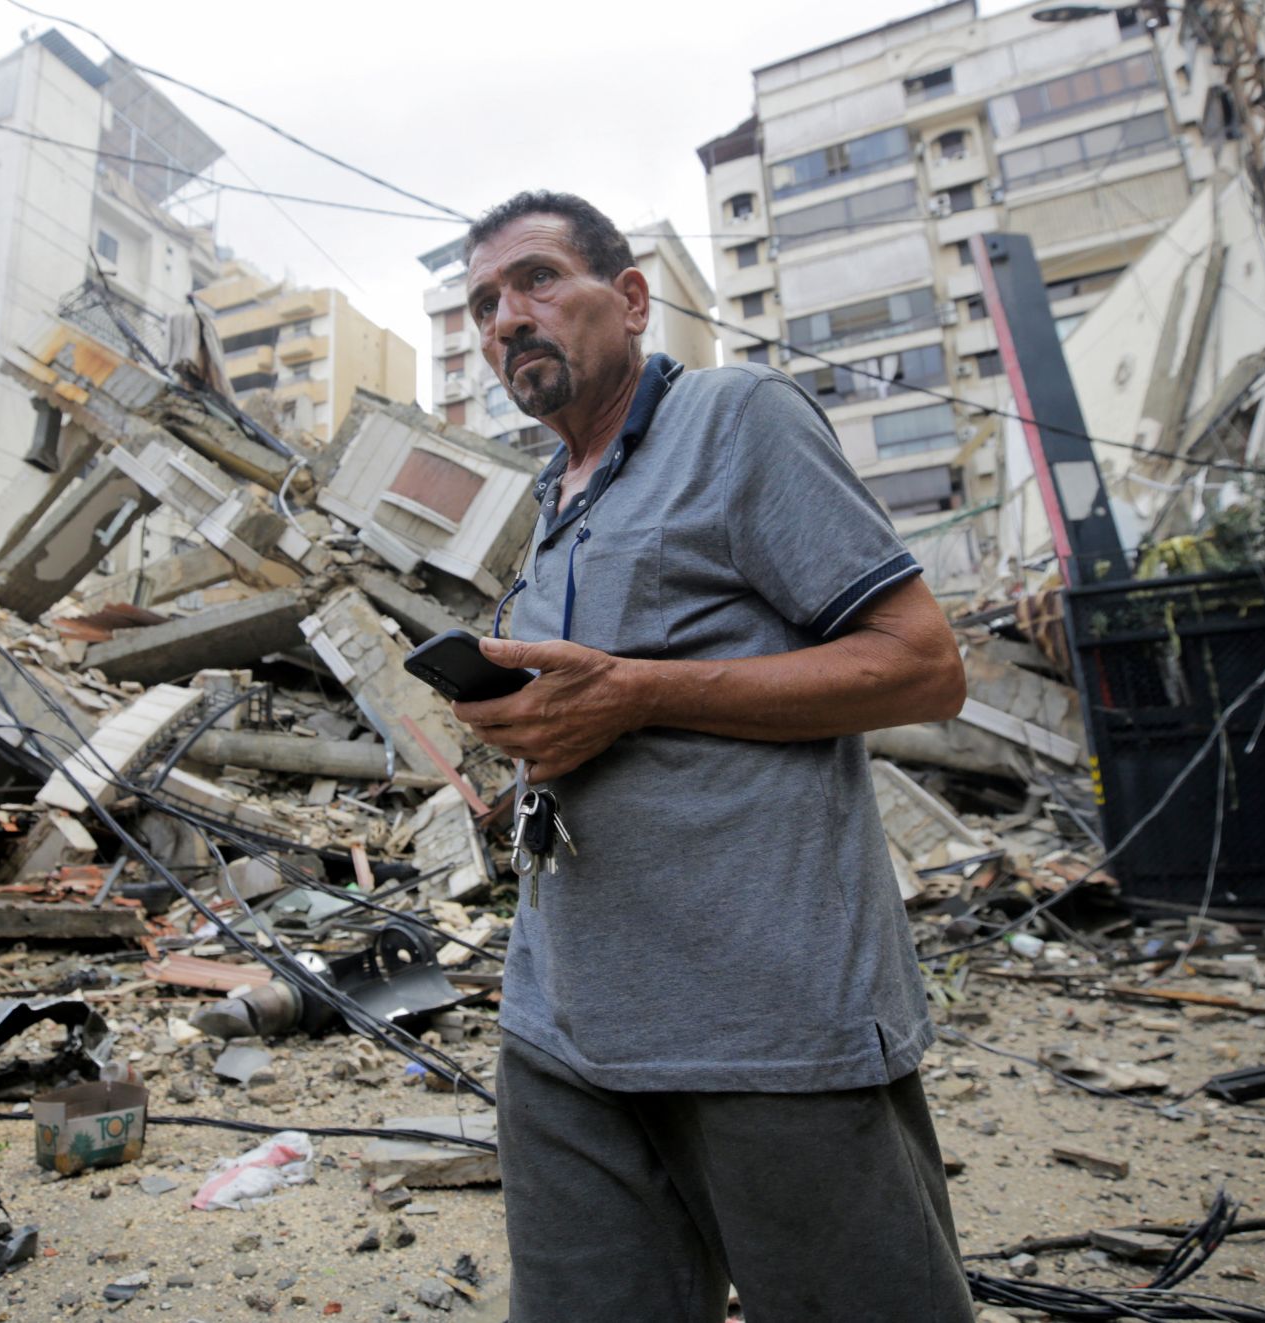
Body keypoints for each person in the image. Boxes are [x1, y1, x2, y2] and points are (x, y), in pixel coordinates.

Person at [450, 190, 974, 1322]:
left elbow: (924, 667)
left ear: (632, 300)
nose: (506, 319)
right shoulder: (553, 496)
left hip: (763, 1019)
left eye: (538, 280)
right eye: (484, 304)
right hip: (562, 1021)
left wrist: (641, 696)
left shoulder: (738, 418)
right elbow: (603, 706)